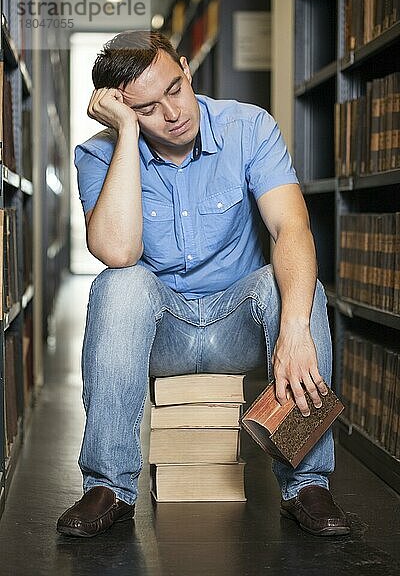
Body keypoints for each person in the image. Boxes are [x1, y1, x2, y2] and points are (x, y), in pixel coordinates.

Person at [57, 30, 349, 538]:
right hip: (159, 332)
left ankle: (306, 482)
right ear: (119, 112)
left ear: (187, 70)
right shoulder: (99, 154)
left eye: (174, 88)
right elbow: (118, 252)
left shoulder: (249, 127)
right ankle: (109, 487)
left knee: (298, 290)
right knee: (118, 284)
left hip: (238, 322)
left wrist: (296, 328)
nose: (172, 113)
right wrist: (127, 135)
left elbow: (290, 228)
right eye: (145, 109)